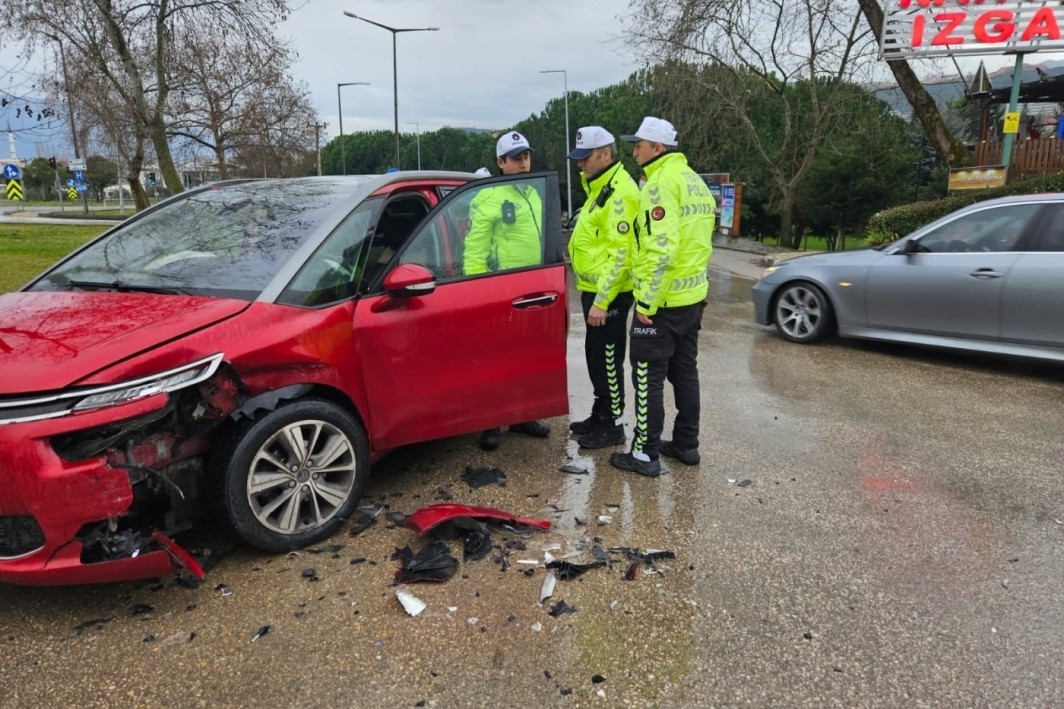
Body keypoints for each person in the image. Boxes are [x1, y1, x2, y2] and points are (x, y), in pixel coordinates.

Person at [610, 117, 715, 477]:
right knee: (685, 372)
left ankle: (644, 453)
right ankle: (687, 444)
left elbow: (661, 250)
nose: (634, 150)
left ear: (658, 148)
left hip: (664, 302)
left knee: (647, 377)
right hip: (692, 297)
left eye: (639, 144)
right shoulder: (694, 180)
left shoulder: (659, 185)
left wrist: (645, 304)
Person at [464, 130, 550, 451]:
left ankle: (522, 416)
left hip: (533, 290)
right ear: (500, 162)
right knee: (496, 360)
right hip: (501, 292)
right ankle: (491, 423)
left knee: (526, 358)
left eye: (526, 156)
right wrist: (477, 294)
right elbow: (474, 249)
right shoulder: (489, 196)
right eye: (516, 159)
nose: (523, 163)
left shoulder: (533, 192)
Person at [566, 125, 640, 449]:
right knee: (595, 355)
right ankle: (601, 412)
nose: (580, 164)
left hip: (610, 295)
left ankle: (613, 425)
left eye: (585, 158)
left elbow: (621, 254)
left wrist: (602, 300)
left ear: (605, 154)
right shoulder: (601, 186)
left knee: (608, 359)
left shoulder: (621, 191)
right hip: (593, 290)